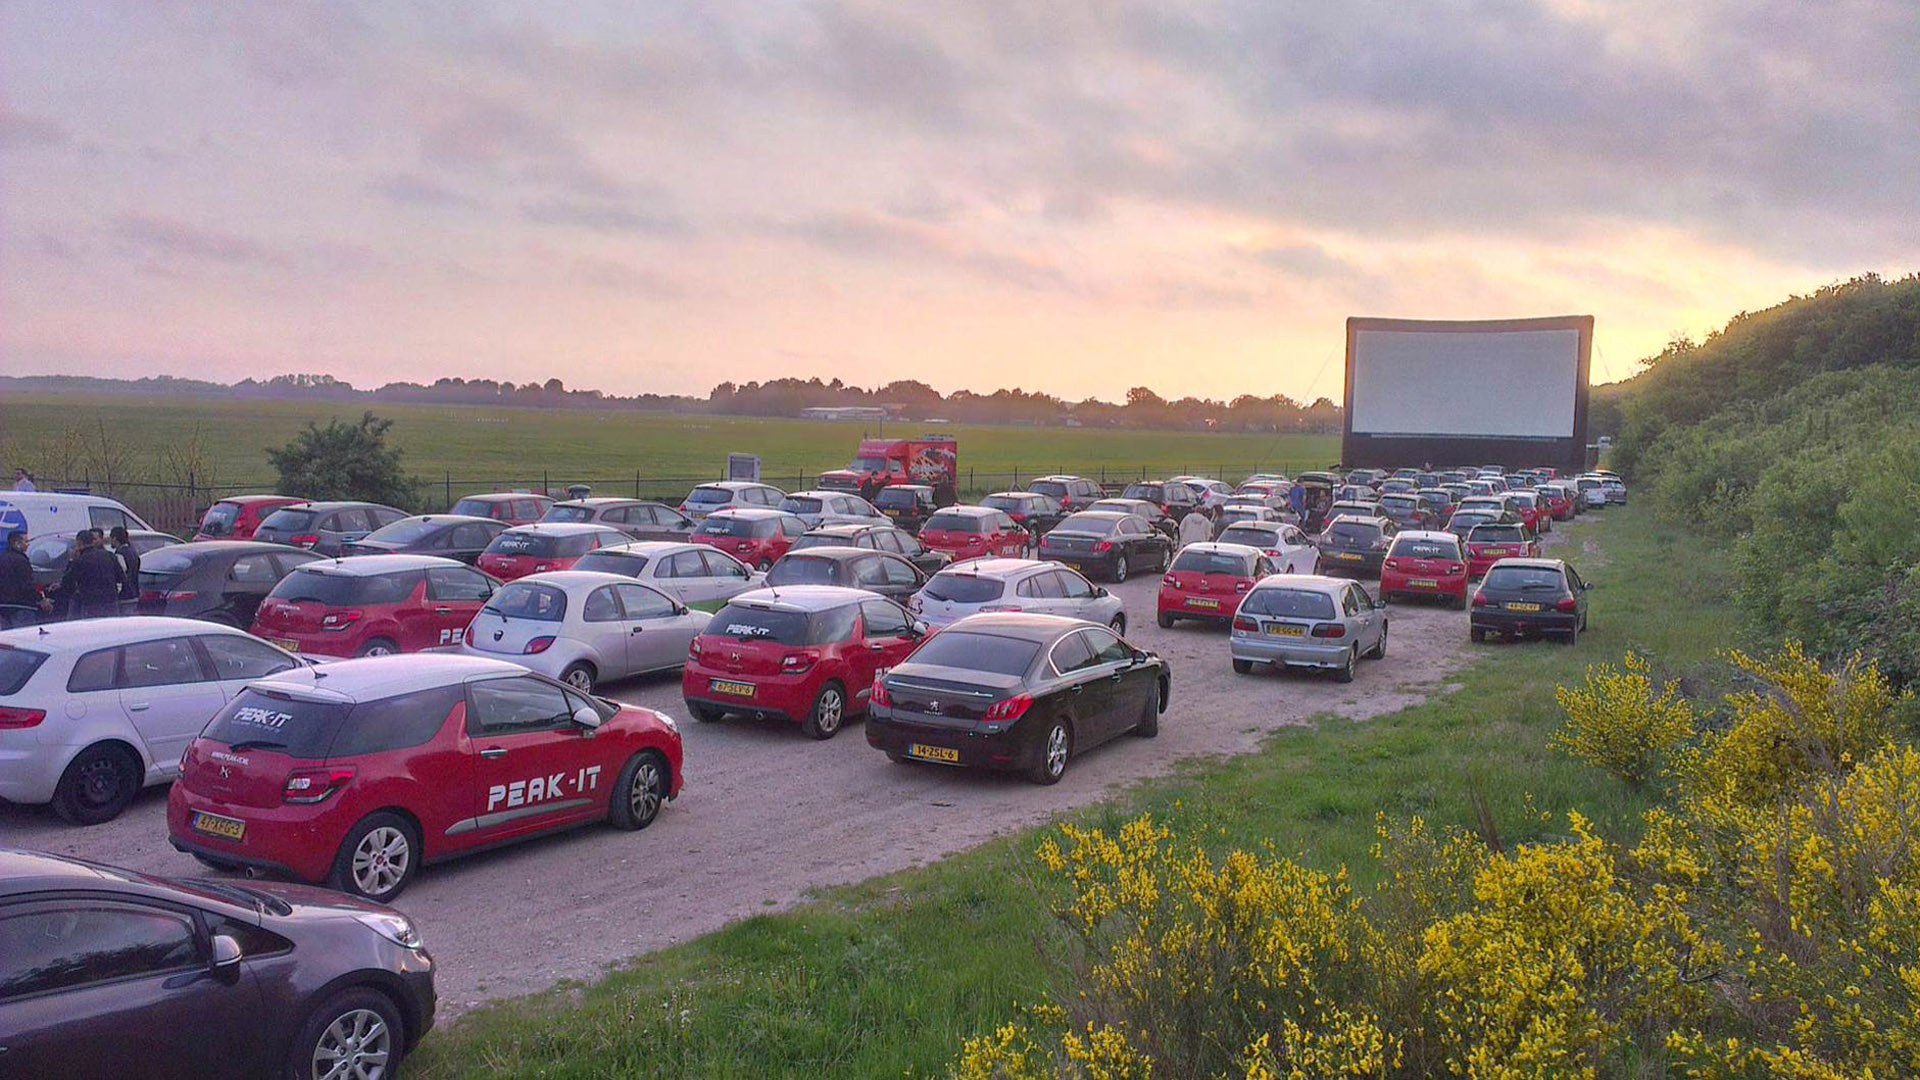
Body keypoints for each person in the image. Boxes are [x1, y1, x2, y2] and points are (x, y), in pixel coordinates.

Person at [54, 529, 124, 619]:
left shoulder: (80, 561)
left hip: (91, 604)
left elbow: (67, 583)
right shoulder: (109, 555)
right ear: (92, 541)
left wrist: (71, 560)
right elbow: (121, 577)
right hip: (111, 602)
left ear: (79, 543)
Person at [0, 531, 49, 628]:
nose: (28, 545)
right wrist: (41, 599)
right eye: (26, 542)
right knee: (26, 635)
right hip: (22, 605)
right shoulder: (21, 560)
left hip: (4, 605)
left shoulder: (2, 558)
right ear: (16, 543)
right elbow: (27, 584)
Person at [109, 526, 142, 601]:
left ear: (114, 538)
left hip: (125, 594)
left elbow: (120, 574)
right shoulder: (133, 551)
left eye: (111, 538)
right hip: (134, 591)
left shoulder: (120, 554)